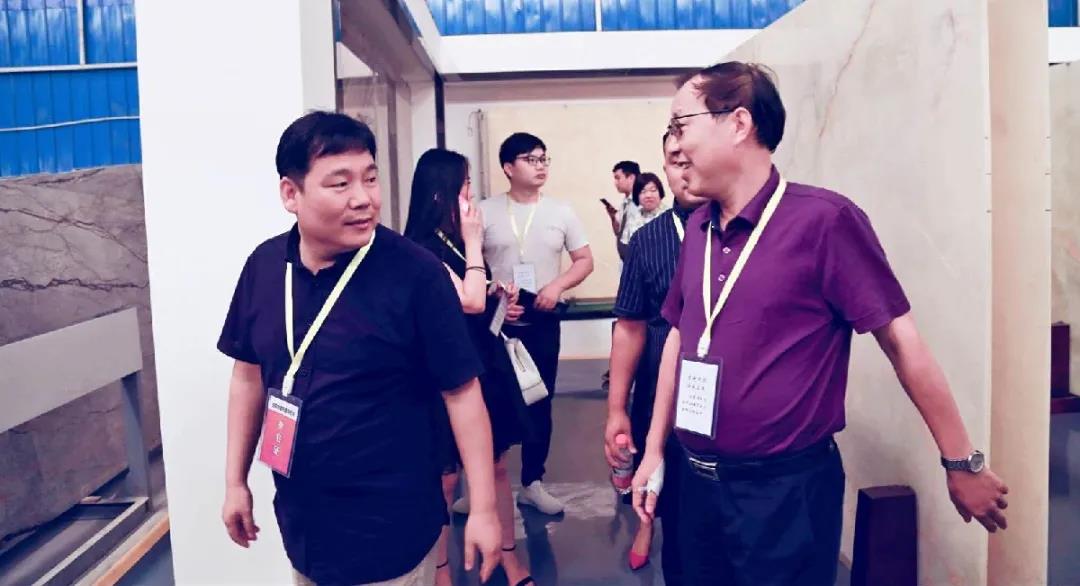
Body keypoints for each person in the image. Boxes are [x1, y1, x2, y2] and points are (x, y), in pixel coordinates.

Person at [631, 62, 1010, 585]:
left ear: (738, 123)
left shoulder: (824, 221)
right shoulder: (698, 226)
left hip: (783, 494)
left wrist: (961, 461)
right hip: (693, 487)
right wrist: (655, 449)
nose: (673, 147)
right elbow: (680, 334)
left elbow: (901, 342)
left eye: (680, 126)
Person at [218, 112, 501, 586]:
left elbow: (462, 393)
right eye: (340, 183)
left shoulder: (415, 273)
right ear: (291, 193)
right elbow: (248, 377)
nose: (363, 198)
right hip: (304, 526)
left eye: (370, 179)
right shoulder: (264, 267)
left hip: (390, 529)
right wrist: (235, 481)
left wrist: (485, 509)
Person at [403, 148, 536, 586]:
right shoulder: (420, 251)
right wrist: (477, 246)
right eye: (464, 186)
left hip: (484, 366)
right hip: (443, 378)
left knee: (495, 467)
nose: (471, 196)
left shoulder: (454, 244)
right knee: (445, 479)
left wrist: (501, 296)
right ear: (440, 194)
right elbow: (469, 301)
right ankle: (441, 571)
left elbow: (480, 298)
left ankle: (510, 558)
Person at [604, 133, 707, 583]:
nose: (686, 169)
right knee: (661, 476)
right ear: (663, 169)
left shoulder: (743, 230)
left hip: (726, 398)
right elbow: (629, 326)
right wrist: (616, 409)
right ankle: (647, 527)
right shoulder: (648, 240)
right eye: (674, 160)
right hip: (661, 385)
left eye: (693, 157)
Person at [477, 132, 595, 515]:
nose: (541, 166)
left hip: (542, 320)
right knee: (490, 403)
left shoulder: (561, 211)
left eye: (544, 159)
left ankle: (532, 482)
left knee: (539, 402)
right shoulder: (485, 211)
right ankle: (484, 486)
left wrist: (557, 286)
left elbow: (584, 260)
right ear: (508, 168)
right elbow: (472, 267)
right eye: (531, 159)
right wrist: (494, 297)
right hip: (497, 322)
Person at [606, 160, 641, 261]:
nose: (615, 183)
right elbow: (619, 232)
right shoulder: (625, 202)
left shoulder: (642, 202)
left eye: (618, 178)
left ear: (631, 178)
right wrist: (613, 217)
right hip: (626, 261)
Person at [620, 171, 667, 243]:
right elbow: (626, 245)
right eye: (643, 191)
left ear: (660, 192)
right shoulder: (633, 218)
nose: (648, 195)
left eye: (653, 190)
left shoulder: (671, 216)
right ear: (637, 195)